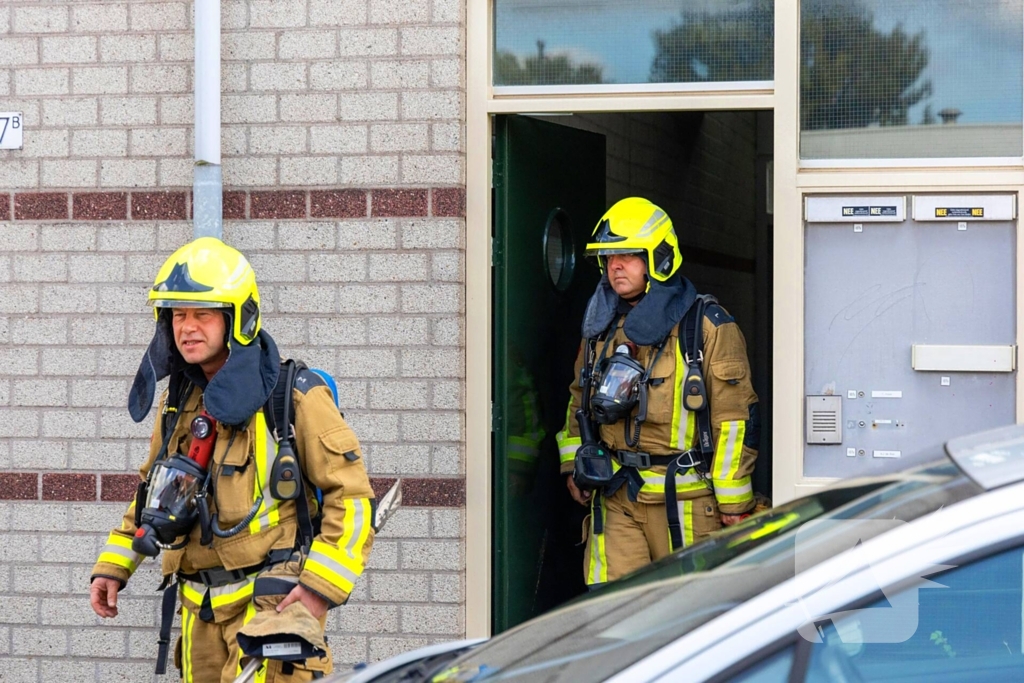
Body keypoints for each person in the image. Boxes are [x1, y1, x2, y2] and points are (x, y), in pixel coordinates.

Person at [89, 237, 374, 682]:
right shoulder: (179, 402)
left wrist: (319, 590)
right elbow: (151, 492)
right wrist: (114, 566)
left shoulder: (293, 397)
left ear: (238, 318)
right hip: (198, 613)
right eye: (178, 315)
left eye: (203, 314)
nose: (187, 328)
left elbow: (351, 499)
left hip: (269, 614)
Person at [556, 197, 759, 587]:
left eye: (629, 255)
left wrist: (734, 503)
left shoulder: (706, 327)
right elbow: (577, 396)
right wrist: (575, 466)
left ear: (659, 258)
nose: (616, 266)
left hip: (683, 503)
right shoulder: (599, 327)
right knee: (615, 611)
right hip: (615, 495)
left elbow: (734, 419)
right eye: (610, 256)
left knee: (688, 614)